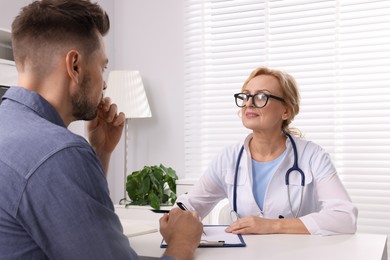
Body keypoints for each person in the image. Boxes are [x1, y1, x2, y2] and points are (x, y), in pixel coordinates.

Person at [0, 0, 202, 259]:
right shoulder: (59, 153)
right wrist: (182, 241)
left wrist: (101, 154)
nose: (104, 85)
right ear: (74, 65)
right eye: (102, 67)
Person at [177, 67, 358, 236]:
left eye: (262, 96)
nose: (249, 103)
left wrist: (272, 225)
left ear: (286, 111)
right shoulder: (229, 158)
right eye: (246, 96)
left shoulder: (313, 156)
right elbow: (190, 204)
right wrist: (175, 217)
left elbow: (345, 217)